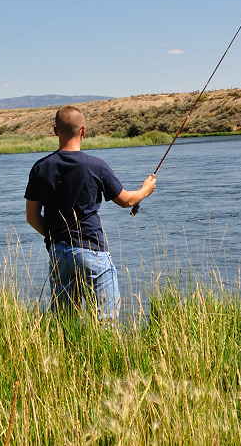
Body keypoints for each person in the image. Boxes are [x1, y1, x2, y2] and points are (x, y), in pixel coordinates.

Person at [25, 105, 156, 320]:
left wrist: (56, 237)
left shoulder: (40, 168)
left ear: (55, 131)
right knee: (106, 321)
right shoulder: (97, 166)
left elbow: (31, 217)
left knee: (64, 321)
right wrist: (145, 190)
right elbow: (126, 201)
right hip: (91, 250)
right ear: (83, 131)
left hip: (58, 252)